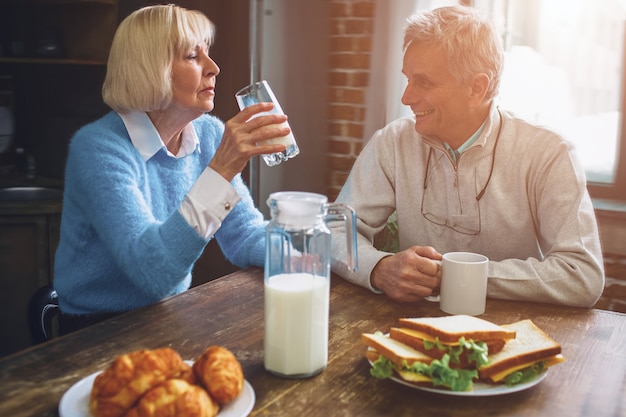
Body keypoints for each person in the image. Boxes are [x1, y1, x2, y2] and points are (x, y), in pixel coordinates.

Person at [331, 5, 605, 308]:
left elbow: (581, 275)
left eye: (424, 82)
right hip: (410, 327)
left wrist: (456, 275)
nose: (406, 97)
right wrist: (378, 268)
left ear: (477, 87)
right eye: (407, 78)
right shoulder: (393, 142)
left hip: (515, 334)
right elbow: (332, 229)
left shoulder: (549, 153)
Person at [53, 4, 290, 333]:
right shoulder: (98, 148)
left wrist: (311, 254)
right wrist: (220, 171)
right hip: (96, 331)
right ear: (152, 68)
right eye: (194, 56)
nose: (214, 68)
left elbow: (244, 236)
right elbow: (155, 273)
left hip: (171, 315)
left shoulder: (208, 134)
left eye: (208, 54)